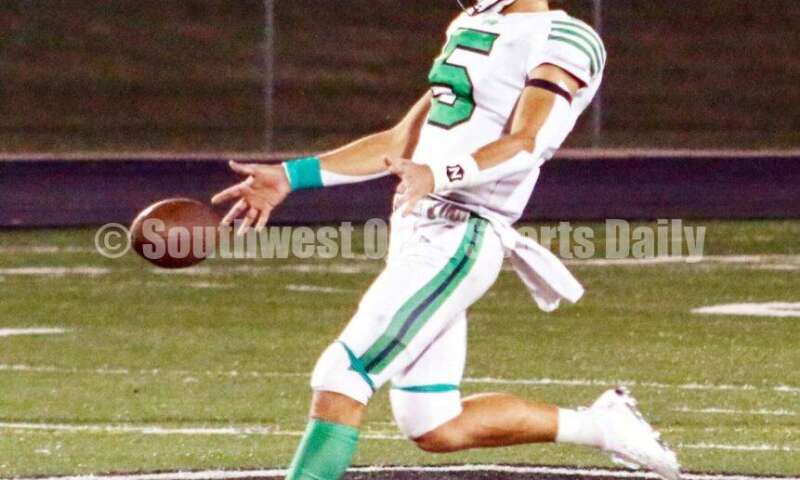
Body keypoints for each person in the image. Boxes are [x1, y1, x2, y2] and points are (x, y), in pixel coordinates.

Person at [212, 1, 680, 479]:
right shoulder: (472, 24)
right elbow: (399, 144)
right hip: (417, 228)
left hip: (462, 230)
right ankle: (602, 425)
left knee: (343, 374)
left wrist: (438, 173)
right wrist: (292, 176)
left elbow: (528, 141)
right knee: (434, 423)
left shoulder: (564, 37)